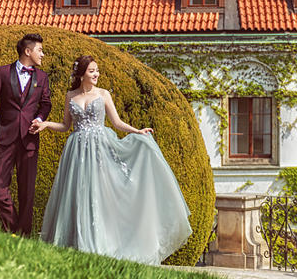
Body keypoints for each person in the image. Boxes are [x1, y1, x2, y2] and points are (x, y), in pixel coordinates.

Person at [36, 55, 193, 264]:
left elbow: (116, 122)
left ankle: (102, 243)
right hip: (76, 151)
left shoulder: (103, 94)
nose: (96, 74)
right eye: (92, 71)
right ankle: (77, 244)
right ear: (81, 73)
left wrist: (137, 131)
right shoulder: (70, 96)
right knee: (76, 194)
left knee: (99, 194)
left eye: (97, 70)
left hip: (100, 149)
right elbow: (66, 125)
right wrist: (45, 124)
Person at [0, 32, 52, 236]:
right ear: (27, 51)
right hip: (4, 139)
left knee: (27, 193)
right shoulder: (2, 73)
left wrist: (40, 119)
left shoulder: (42, 77)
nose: (42, 54)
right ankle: (14, 227)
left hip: (29, 140)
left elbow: (46, 103)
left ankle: (23, 236)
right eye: (40, 50)